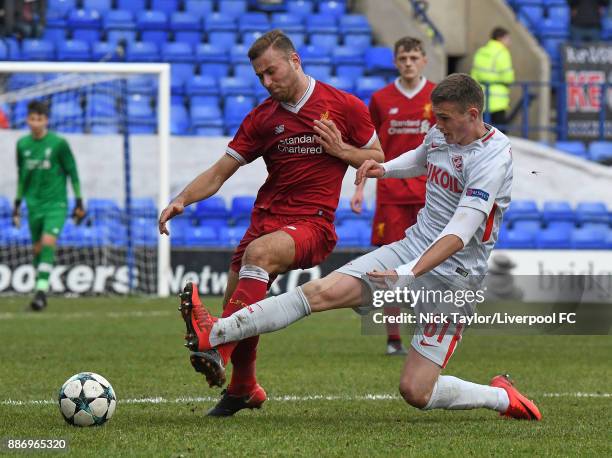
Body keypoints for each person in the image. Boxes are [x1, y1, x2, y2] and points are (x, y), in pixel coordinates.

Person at [178, 73, 542, 421]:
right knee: (319, 292)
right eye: (438, 118)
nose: (438, 125)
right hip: (411, 247)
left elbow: (459, 233)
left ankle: (501, 396)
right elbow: (420, 157)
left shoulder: (494, 158)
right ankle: (217, 330)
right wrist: (384, 169)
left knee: (417, 391)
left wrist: (406, 275)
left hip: (454, 279)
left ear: (472, 114)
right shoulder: (442, 133)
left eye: (445, 118)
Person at [158, 30, 383, 416]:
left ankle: (214, 343)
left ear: (294, 61)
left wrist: (341, 150)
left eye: (272, 71)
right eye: (260, 76)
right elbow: (219, 172)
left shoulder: (343, 106)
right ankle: (243, 388)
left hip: (313, 224)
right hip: (265, 221)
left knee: (256, 261)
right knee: (240, 307)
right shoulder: (262, 118)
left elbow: (376, 156)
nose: (267, 81)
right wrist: (182, 199)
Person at [350, 37, 436, 356]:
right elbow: (368, 147)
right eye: (403, 58)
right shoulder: (381, 99)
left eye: (414, 57)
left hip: (432, 195)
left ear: (424, 60)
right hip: (390, 196)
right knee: (390, 265)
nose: (409, 63)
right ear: (395, 62)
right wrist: (359, 189)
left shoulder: (438, 96)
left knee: (431, 266)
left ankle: (429, 335)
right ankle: (393, 339)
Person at [13, 101, 85, 311]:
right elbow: (22, 176)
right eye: (32, 119)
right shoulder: (22, 145)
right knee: (37, 249)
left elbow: (73, 171)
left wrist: (79, 200)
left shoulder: (58, 144)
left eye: (40, 119)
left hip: (56, 203)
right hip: (33, 204)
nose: (36, 123)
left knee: (47, 242)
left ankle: (40, 293)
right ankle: (40, 288)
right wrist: (17, 203)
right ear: (27, 120)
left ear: (46, 120)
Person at [470, 27, 514, 131]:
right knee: (500, 136)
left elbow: (474, 75)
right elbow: (508, 78)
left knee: (482, 134)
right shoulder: (502, 52)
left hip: (482, 98)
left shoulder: (481, 51)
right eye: (508, 38)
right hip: (498, 101)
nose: (509, 42)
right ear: (500, 38)